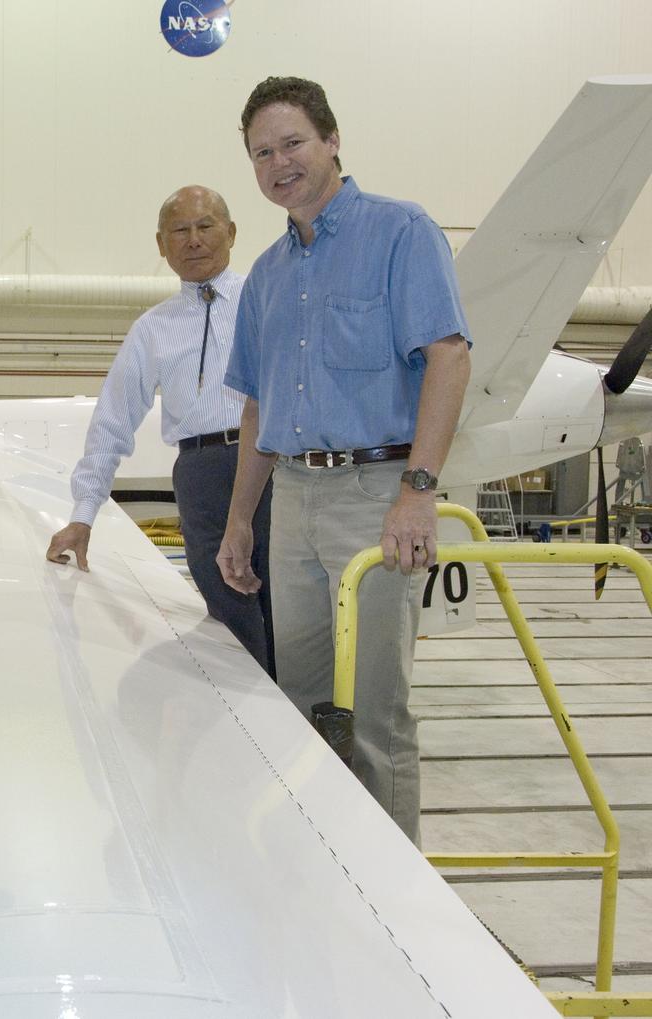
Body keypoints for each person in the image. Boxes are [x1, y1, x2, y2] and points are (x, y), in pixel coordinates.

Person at [216, 77, 472, 844]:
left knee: (373, 715)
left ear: (331, 141)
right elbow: (259, 409)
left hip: (375, 494)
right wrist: (239, 521)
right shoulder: (266, 275)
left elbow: (448, 358)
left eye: (292, 142)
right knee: (297, 702)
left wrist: (417, 492)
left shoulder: (401, 233)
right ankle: (318, 868)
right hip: (293, 501)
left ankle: (398, 917)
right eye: (262, 152)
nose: (278, 163)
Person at [46, 185, 274, 675]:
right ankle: (252, 730)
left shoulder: (266, 301)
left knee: (288, 613)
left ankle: (306, 733)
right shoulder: (151, 329)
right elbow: (112, 419)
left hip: (273, 467)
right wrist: (83, 515)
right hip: (200, 478)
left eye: (205, 226)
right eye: (179, 231)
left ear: (231, 233)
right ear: (161, 245)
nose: (193, 240)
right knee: (229, 618)